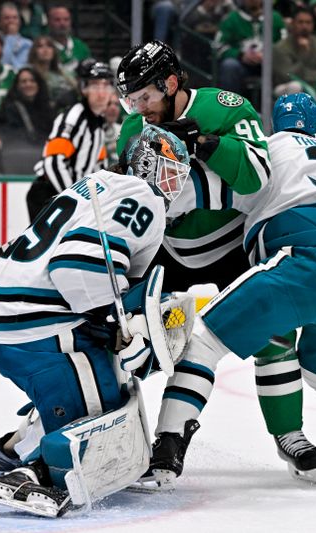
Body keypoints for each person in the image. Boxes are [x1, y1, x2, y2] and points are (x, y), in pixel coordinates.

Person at [141, 93, 316, 489]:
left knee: (203, 341)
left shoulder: (269, 149)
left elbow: (203, 192)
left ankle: (166, 451)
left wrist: (139, 184)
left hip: (304, 261)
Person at [0, 124, 191, 517]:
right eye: (169, 170)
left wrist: (112, 319)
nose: (174, 184)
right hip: (40, 329)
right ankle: (33, 473)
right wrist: (117, 325)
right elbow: (75, 266)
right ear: (145, 165)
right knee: (105, 420)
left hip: (3, 324)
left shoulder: (93, 184)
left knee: (101, 384)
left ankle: (14, 449)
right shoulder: (144, 197)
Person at [115, 39, 272, 480]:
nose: (137, 108)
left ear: (170, 83)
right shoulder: (134, 128)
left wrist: (204, 143)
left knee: (274, 338)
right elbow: (133, 200)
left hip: (232, 251)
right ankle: (153, 442)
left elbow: (258, 178)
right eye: (130, 99)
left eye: (144, 96)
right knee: (127, 336)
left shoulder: (226, 106)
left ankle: (289, 434)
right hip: (169, 252)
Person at [26, 59, 114, 220]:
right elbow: (53, 162)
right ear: (84, 89)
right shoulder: (74, 118)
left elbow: (98, 167)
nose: (101, 93)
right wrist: (73, 198)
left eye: (106, 85)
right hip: (49, 194)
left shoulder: (98, 123)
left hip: (70, 198)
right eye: (95, 86)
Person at [213, 0, 286, 99]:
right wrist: (240, 55)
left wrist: (269, 55)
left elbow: (285, 44)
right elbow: (218, 46)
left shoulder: (275, 18)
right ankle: (231, 107)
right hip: (242, 66)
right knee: (229, 65)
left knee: (283, 65)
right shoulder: (231, 19)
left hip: (270, 65)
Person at [0, 65, 53, 173]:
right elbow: (13, 135)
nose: (28, 84)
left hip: (45, 158)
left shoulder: (48, 107)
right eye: (23, 81)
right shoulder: (10, 107)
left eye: (32, 81)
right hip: (20, 159)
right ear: (17, 85)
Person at [272, 7, 316, 90]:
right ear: (292, 24)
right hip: (286, 90)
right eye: (300, 22)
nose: (304, 26)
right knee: (295, 86)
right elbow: (287, 76)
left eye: (308, 22)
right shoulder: (280, 48)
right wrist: (303, 54)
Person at [27, 34, 78, 112]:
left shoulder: (65, 73)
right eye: (40, 46)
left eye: (49, 46)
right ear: (34, 51)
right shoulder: (29, 74)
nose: (45, 50)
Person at [46, 5, 91, 75]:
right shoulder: (44, 46)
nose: (62, 23)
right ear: (49, 22)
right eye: (57, 20)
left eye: (66, 19)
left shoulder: (81, 46)